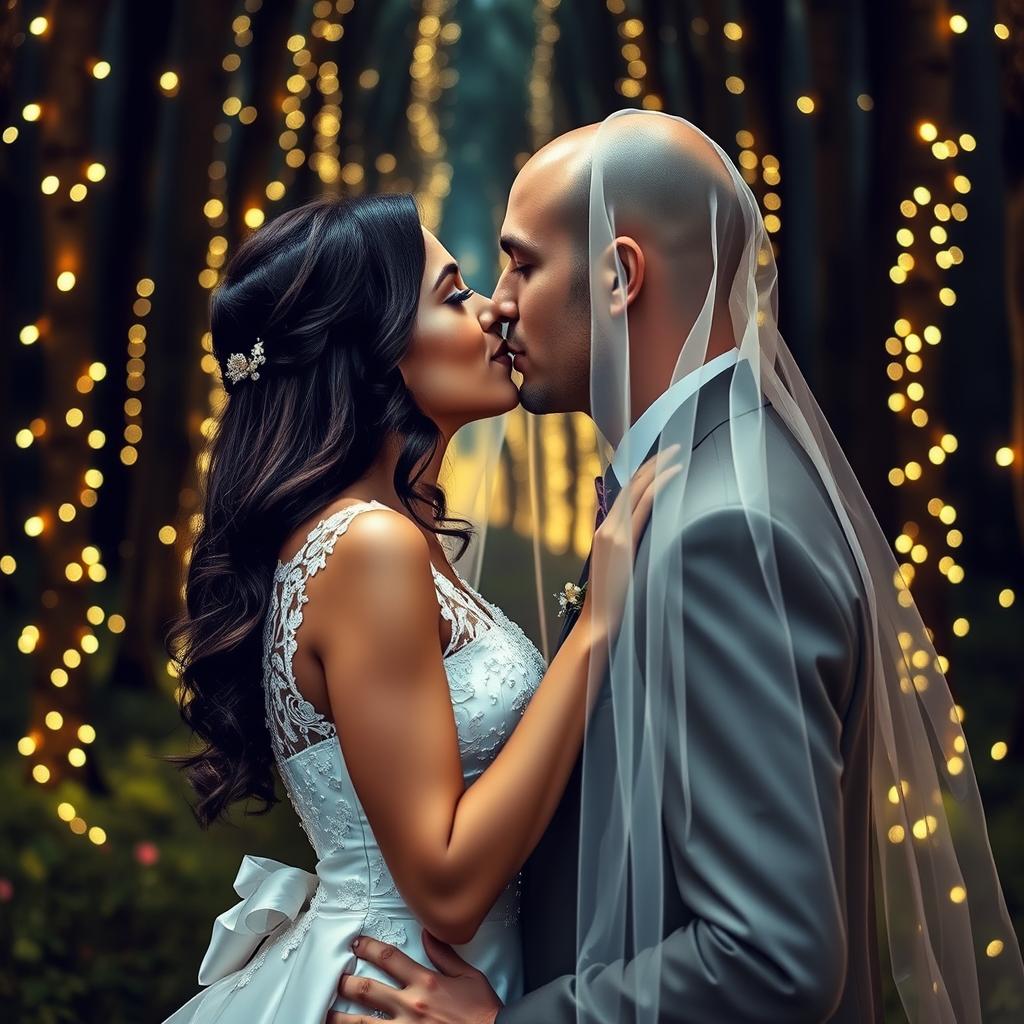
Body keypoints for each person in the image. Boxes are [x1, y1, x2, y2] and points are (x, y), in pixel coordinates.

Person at [337, 112, 1024, 1023]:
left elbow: (774, 957)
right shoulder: (711, 475)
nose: (498, 303)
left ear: (620, 275)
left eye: (523, 264)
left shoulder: (722, 530)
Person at [160, 192, 676, 1023]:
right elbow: (446, 884)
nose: (495, 310)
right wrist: (598, 623)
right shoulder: (371, 548)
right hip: (400, 990)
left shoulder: (395, 535)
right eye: (455, 294)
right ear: (373, 350)